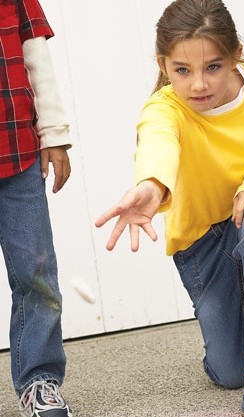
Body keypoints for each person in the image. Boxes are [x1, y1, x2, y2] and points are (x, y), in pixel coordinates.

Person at [96, 0, 244, 415]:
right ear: (164, 65)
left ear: (234, 55)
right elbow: (159, 145)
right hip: (203, 238)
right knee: (228, 373)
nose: (198, 85)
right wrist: (152, 187)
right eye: (182, 71)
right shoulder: (163, 109)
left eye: (213, 66)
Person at [0, 0, 73, 416]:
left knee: (36, 272)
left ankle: (39, 379)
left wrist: (54, 133)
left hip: (17, 154)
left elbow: (38, 65)